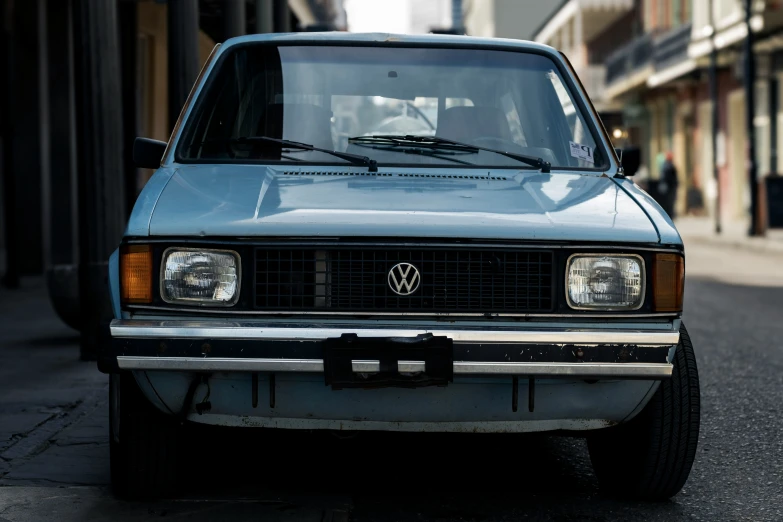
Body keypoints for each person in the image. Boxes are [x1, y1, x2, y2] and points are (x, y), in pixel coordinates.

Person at [658, 151, 679, 218]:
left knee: (671, 202)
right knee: (669, 202)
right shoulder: (668, 166)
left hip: (671, 187)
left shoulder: (668, 165)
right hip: (670, 187)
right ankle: (670, 214)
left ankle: (670, 214)